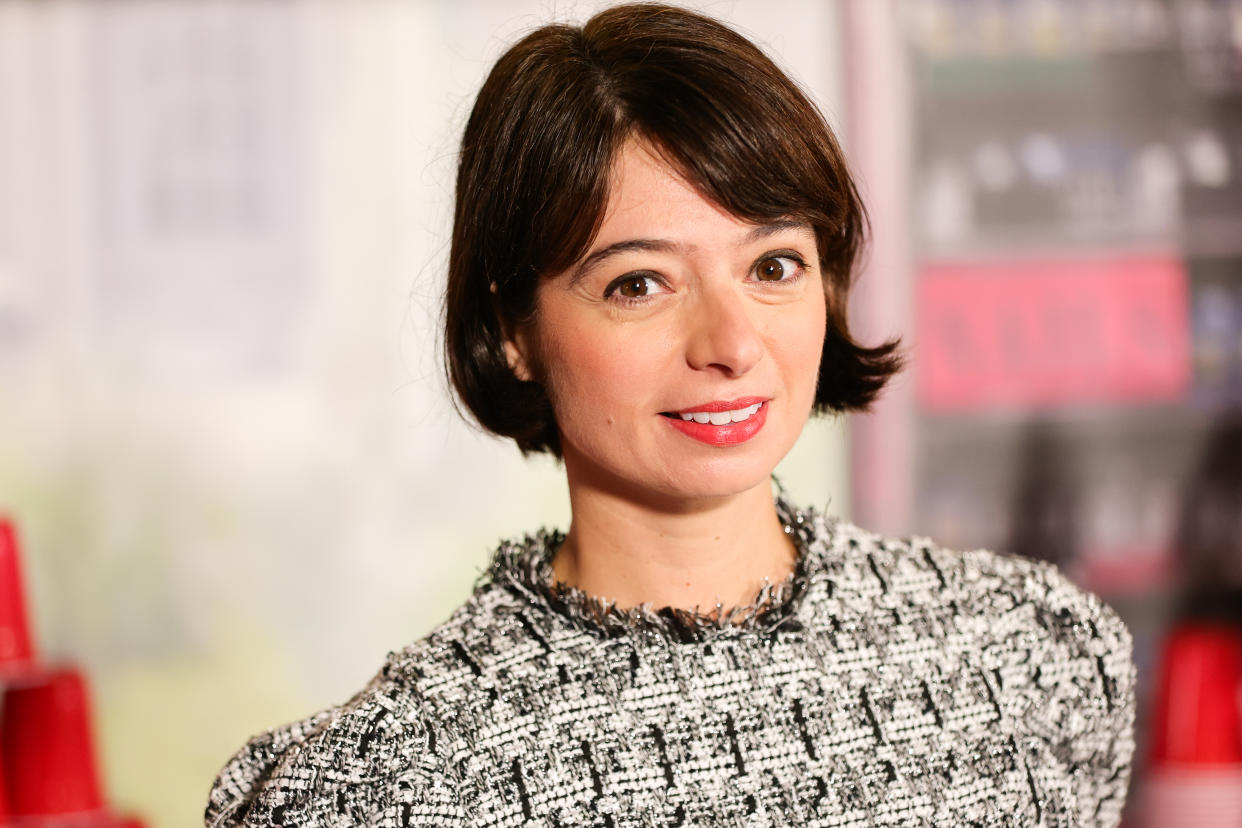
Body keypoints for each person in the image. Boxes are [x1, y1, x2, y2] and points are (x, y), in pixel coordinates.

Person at [204, 4, 1137, 826]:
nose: (731, 342)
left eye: (773, 266)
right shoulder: (391, 783)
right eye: (638, 284)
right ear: (513, 330)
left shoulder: (1025, 652)